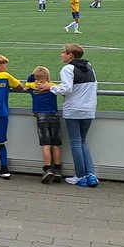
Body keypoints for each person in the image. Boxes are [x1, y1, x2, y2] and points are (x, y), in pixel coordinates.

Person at [43, 42, 99, 187]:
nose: (61, 54)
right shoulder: (89, 66)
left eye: (64, 52)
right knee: (83, 141)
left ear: (71, 55)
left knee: (76, 142)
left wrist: (50, 87)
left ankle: (80, 176)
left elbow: (66, 89)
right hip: (89, 108)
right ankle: (91, 175)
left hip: (74, 109)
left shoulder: (68, 68)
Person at [25, 65, 63, 184]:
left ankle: (47, 168)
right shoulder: (52, 87)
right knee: (56, 144)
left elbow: (28, 81)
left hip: (41, 117)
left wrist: (33, 76)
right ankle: (57, 169)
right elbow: (61, 88)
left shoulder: (33, 87)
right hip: (54, 116)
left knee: (46, 144)